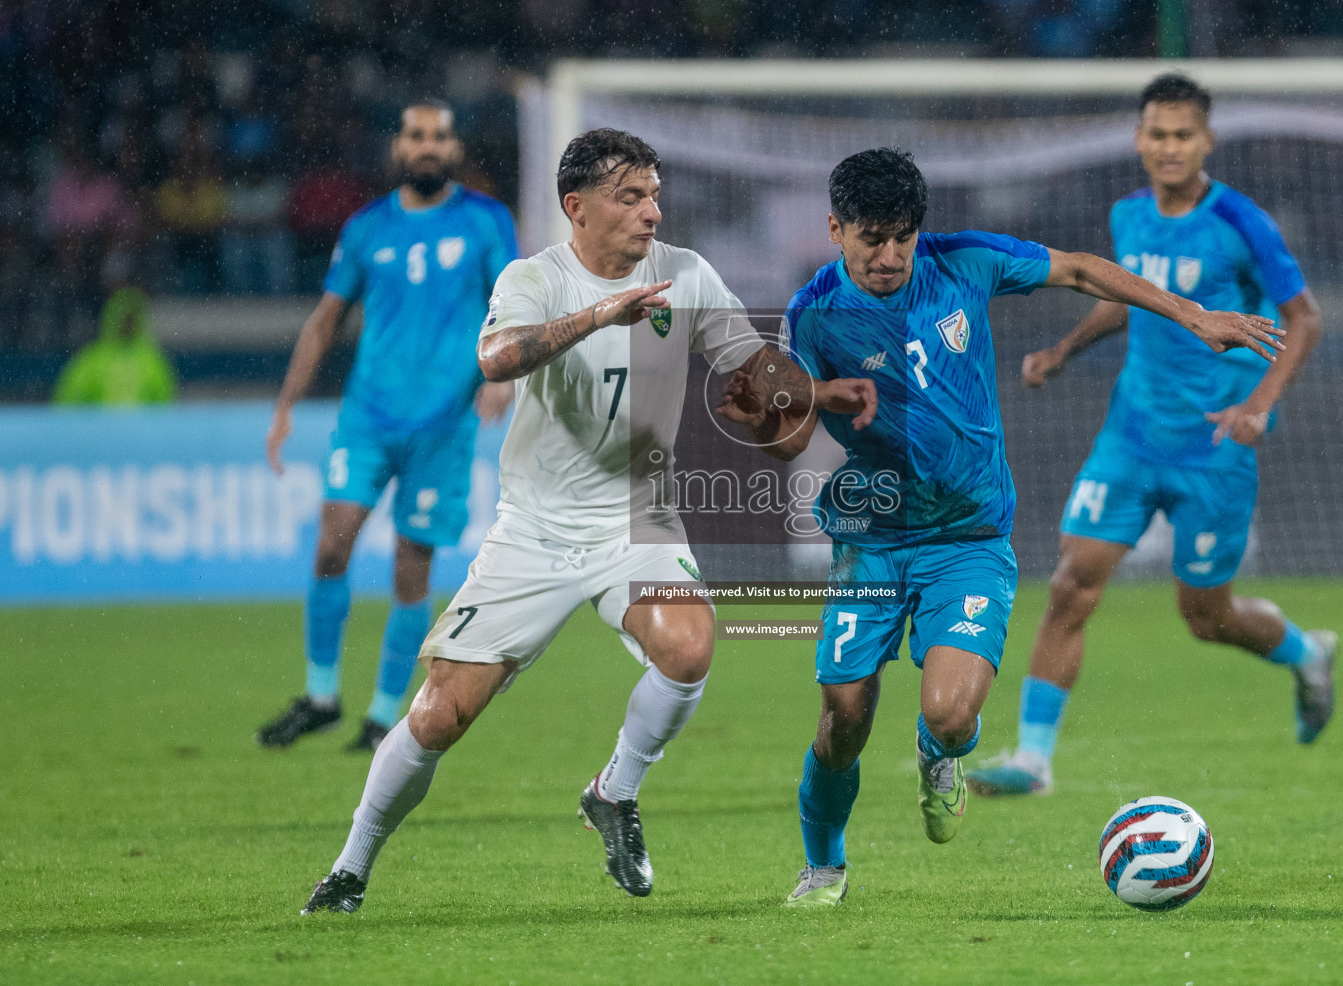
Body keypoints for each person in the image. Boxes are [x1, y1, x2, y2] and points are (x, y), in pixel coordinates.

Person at [299, 128, 878, 914]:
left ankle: (615, 791)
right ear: (577, 207)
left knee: (689, 648)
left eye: (654, 194)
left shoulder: (686, 275)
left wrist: (797, 400)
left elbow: (751, 368)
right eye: (629, 197)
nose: (650, 212)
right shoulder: (533, 277)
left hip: (638, 521)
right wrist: (602, 314)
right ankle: (350, 867)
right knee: (441, 714)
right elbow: (497, 358)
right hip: (535, 530)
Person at [719, 146, 1282, 908]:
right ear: (835, 229)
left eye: (902, 238)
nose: (889, 256)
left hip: (969, 538)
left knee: (951, 717)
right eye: (871, 238)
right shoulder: (812, 313)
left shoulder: (967, 263)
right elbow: (784, 438)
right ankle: (824, 866)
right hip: (874, 538)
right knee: (844, 714)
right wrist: (800, 406)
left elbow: (1082, 269)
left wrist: (1192, 315)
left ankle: (938, 754)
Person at [966, 73, 1332, 800]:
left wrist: (1259, 405)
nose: (1169, 148)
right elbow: (1134, 299)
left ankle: (1304, 650)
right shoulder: (1128, 215)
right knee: (1072, 583)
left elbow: (1306, 318)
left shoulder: (1242, 223)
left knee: (1207, 617)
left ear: (1207, 142)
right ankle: (1033, 760)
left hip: (1215, 448)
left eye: (1183, 135)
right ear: (1138, 140)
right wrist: (1067, 350)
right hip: (1131, 437)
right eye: (1157, 134)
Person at [257, 100, 519, 754]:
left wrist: (501, 374)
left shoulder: (487, 221)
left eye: (438, 136)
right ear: (398, 147)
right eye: (415, 136)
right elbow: (326, 319)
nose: (427, 146)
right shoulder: (367, 228)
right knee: (330, 549)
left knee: (412, 567)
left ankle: (380, 716)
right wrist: (287, 403)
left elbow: (512, 303)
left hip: (443, 423)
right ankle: (320, 697)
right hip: (367, 417)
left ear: (454, 149)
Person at [52, 286, 176, 405]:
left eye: (132, 319)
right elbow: (68, 401)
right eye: (125, 318)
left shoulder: (154, 362)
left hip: (141, 427)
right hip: (99, 427)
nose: (127, 324)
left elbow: (164, 407)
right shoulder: (91, 360)